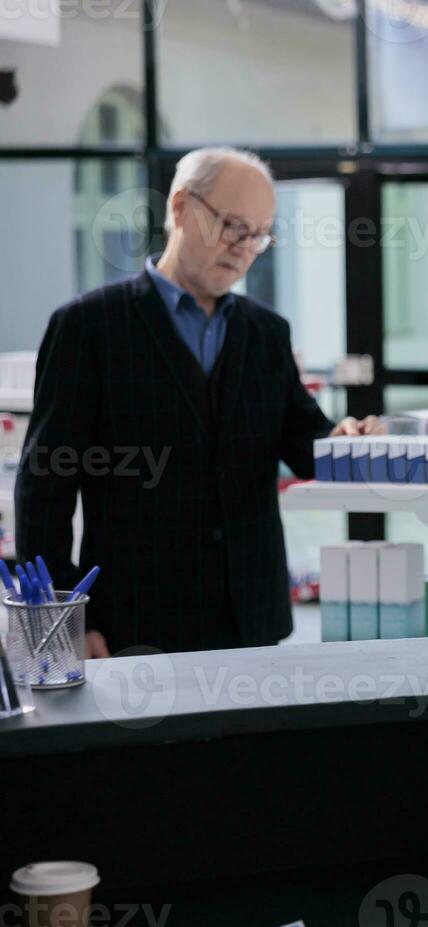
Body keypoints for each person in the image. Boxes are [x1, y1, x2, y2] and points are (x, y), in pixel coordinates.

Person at [18, 147, 382, 657]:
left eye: (258, 235)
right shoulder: (88, 327)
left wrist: (341, 440)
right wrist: (67, 621)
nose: (244, 248)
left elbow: (303, 439)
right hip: (130, 624)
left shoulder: (266, 333)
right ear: (181, 207)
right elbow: (44, 488)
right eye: (233, 225)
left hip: (251, 619)